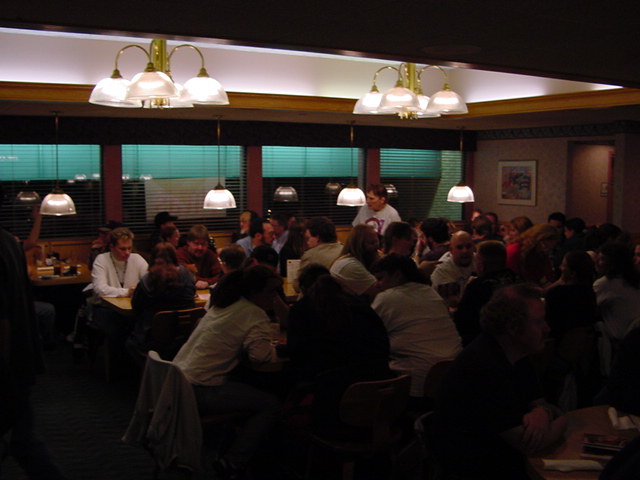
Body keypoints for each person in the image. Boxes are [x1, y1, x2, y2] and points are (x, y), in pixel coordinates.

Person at [432, 284, 567, 480]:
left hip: (503, 461)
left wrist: (542, 412)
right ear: (512, 328)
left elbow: (541, 404)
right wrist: (563, 419)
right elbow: (530, 444)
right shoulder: (482, 367)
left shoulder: (517, 355)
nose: (547, 329)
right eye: (538, 322)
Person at [173, 266, 282, 478]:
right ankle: (233, 462)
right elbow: (260, 357)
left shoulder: (224, 305)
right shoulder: (254, 313)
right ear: (254, 292)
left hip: (178, 382)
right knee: (271, 404)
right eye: (271, 292)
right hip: (200, 390)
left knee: (247, 390)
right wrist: (276, 349)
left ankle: (231, 451)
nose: (275, 297)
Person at [0, 215, 69, 479]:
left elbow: (2, 320)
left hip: (8, 366)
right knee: (25, 440)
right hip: (22, 358)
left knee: (25, 440)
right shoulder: (8, 242)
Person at [287, 269, 391, 427]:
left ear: (304, 289)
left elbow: (297, 357)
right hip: (378, 402)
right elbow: (383, 346)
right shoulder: (361, 307)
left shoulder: (302, 311)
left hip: (329, 405)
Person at [371, 254, 461, 409]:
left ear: (397, 275)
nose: (377, 284)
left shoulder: (386, 298)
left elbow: (370, 334)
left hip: (416, 385)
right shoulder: (430, 293)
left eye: (381, 278)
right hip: (455, 374)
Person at [90, 227, 149, 365]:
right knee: (119, 328)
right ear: (111, 247)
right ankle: (119, 366)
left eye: (129, 248)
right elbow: (99, 289)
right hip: (105, 308)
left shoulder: (137, 259)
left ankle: (136, 364)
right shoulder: (101, 260)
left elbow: (149, 282)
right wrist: (127, 292)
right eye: (122, 249)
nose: (127, 252)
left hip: (131, 308)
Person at [127, 242, 196, 359]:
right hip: (185, 340)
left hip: (152, 342)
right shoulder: (188, 277)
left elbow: (136, 309)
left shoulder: (147, 281)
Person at [454, 240, 520, 346]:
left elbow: (462, 322)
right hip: (518, 338)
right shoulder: (518, 280)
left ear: (481, 263)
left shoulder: (477, 286)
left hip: (487, 344)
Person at [593, 242, 640, 343]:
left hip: (623, 341)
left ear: (613, 263)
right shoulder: (633, 280)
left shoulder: (605, 284)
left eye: (602, 259)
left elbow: (588, 309)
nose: (596, 262)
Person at [330, 224, 381, 299]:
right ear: (359, 245)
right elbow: (380, 291)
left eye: (377, 242)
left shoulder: (350, 259)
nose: (377, 247)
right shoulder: (349, 265)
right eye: (372, 243)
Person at [430, 230, 477, 307]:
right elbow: (452, 305)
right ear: (451, 250)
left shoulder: (479, 261)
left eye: (468, 246)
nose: (465, 251)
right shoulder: (442, 270)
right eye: (459, 247)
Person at [506, 223, 560, 288]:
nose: (546, 251)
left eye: (550, 249)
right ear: (539, 240)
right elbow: (513, 280)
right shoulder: (514, 251)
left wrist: (546, 284)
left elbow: (542, 277)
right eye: (545, 246)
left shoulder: (539, 253)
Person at [176, 224, 222, 289]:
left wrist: (207, 282)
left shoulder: (210, 255)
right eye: (196, 243)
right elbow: (183, 277)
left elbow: (220, 275)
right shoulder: (180, 254)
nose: (200, 248)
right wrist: (206, 281)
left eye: (203, 244)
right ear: (188, 242)